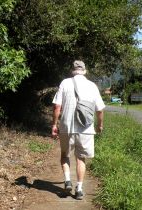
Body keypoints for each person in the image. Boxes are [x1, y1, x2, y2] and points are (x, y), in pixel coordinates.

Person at [51, 60, 105, 200]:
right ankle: (79, 189)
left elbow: (57, 107)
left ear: (72, 70)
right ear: (85, 71)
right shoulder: (92, 86)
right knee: (81, 158)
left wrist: (54, 125)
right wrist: (99, 125)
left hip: (66, 128)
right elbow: (100, 110)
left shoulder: (65, 83)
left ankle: (68, 180)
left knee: (64, 155)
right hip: (86, 128)